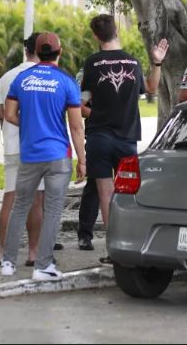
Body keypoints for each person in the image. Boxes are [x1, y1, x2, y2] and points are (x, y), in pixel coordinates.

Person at [80, 14, 167, 263]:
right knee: (127, 195)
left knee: (105, 195)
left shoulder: (91, 63)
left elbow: (82, 103)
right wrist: (157, 63)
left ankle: (112, 251)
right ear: (116, 31)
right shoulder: (133, 62)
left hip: (98, 137)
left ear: (96, 36)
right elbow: (151, 87)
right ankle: (131, 246)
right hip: (127, 138)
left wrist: (96, 113)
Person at [1, 32, 86, 281]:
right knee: (52, 210)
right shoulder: (67, 82)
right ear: (59, 52)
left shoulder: (22, 79)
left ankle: (7, 262)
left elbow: (8, 114)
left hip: (29, 154)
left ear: (37, 52)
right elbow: (76, 126)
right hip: (58, 154)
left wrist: (28, 125)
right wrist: (82, 158)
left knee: (20, 206)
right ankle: (43, 265)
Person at [0, 33, 45, 267]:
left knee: (10, 198)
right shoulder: (46, 77)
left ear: (26, 50)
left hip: (13, 146)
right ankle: (33, 252)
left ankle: (3, 251)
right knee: (37, 200)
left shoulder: (7, 78)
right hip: (38, 147)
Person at [74, 70, 99, 251]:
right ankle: (84, 234)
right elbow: (79, 107)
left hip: (124, 136)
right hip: (97, 134)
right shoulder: (90, 72)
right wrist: (103, 116)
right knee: (95, 185)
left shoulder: (126, 68)